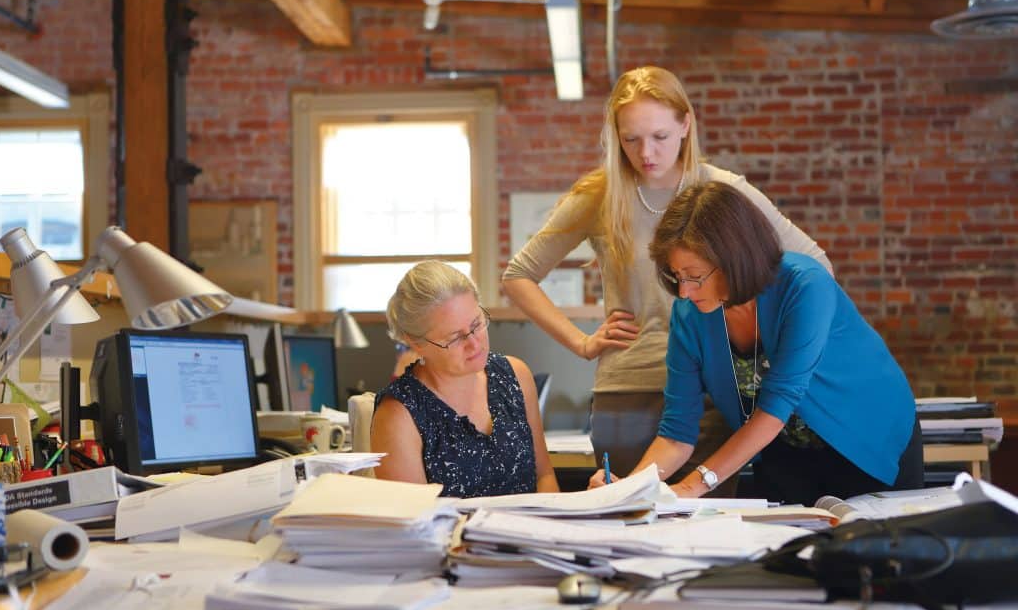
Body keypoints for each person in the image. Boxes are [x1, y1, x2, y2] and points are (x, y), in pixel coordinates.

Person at [502, 66, 832, 488]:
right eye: (631, 139)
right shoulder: (600, 196)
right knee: (626, 516)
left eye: (659, 136)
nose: (646, 153)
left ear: (685, 125)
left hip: (713, 389)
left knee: (704, 531)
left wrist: (756, 342)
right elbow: (519, 276)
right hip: (628, 387)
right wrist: (581, 343)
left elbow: (816, 265)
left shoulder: (723, 191)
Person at [591, 181, 923, 505]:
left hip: (864, 438)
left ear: (734, 258)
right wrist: (627, 490)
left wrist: (691, 487)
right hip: (784, 454)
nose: (683, 291)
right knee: (784, 556)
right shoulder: (689, 315)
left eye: (694, 275)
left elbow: (777, 406)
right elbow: (677, 433)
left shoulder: (804, 285)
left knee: (870, 553)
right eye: (677, 276)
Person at [373, 260, 560, 497]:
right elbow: (413, 524)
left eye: (477, 324)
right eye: (455, 338)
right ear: (416, 343)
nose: (474, 344)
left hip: (533, 531)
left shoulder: (515, 375)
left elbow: (544, 476)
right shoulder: (398, 414)